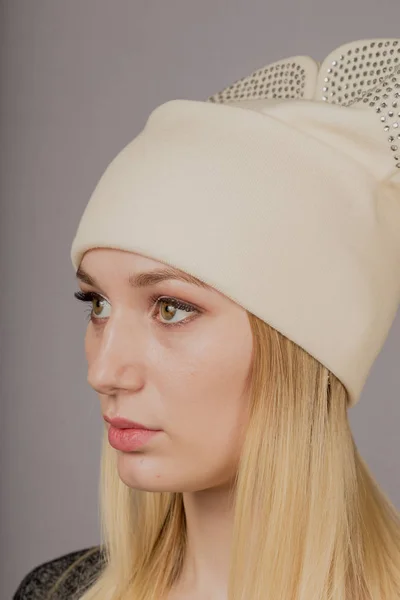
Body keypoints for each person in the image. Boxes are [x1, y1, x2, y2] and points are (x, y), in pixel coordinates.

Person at [13, 37, 400, 600]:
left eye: (171, 308)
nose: (105, 372)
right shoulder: (55, 591)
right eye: (96, 304)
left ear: (303, 350)